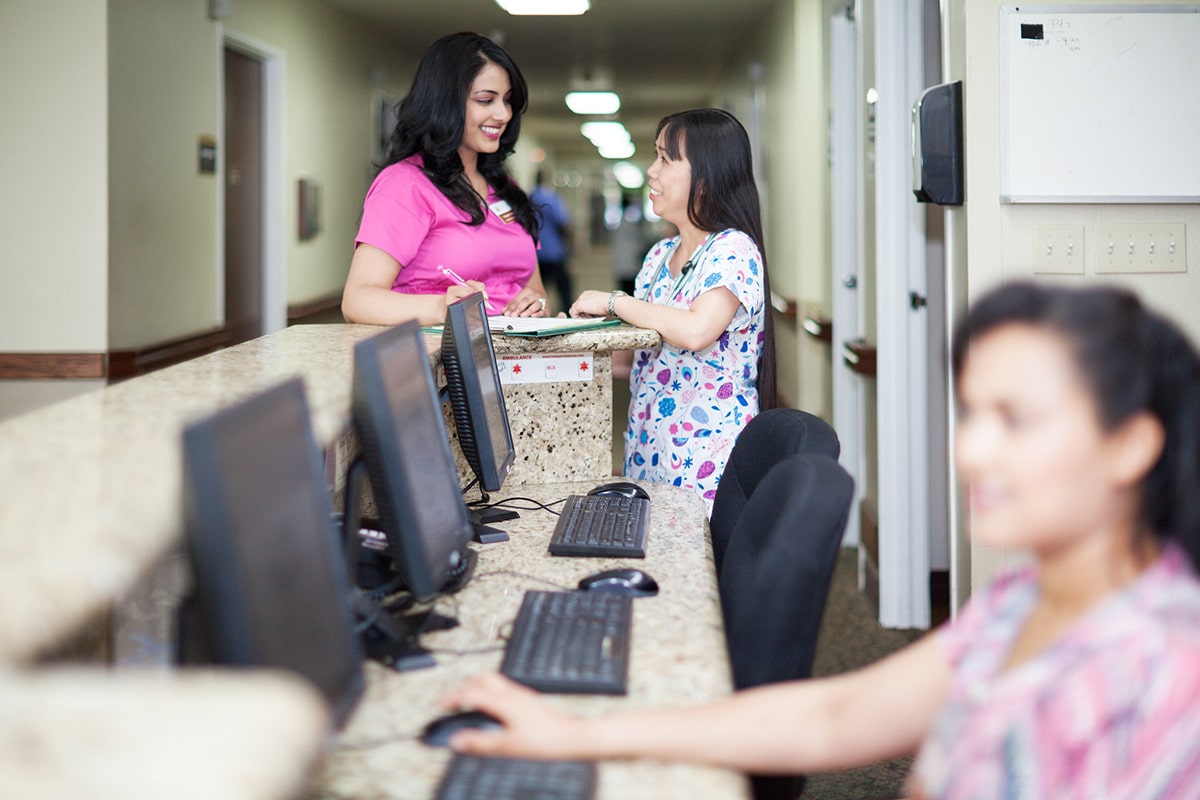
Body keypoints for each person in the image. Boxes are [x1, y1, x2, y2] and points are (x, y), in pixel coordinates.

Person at [443, 281, 1200, 798]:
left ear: (1131, 444)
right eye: (972, 415)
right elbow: (836, 716)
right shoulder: (1027, 600)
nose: (973, 451)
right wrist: (576, 733)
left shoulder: (1163, 665)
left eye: (1017, 420)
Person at [568, 108, 777, 515]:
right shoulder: (660, 256)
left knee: (694, 571)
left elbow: (698, 331)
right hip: (649, 447)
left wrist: (615, 302)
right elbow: (634, 357)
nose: (652, 171)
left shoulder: (731, 250)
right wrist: (577, 337)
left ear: (706, 176)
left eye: (665, 159)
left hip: (706, 455)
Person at [341, 32, 549, 326]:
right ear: (444, 102)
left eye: (508, 101)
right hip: (443, 360)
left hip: (512, 363)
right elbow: (358, 301)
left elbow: (534, 288)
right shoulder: (405, 184)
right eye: (486, 100)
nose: (502, 114)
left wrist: (535, 303)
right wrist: (444, 306)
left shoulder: (505, 188)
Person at [529, 169, 573, 313]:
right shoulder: (550, 198)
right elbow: (562, 222)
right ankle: (569, 313)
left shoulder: (528, 197)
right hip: (553, 252)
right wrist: (571, 242)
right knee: (564, 287)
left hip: (535, 252)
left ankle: (537, 313)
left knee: (537, 290)